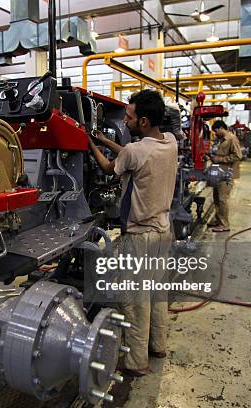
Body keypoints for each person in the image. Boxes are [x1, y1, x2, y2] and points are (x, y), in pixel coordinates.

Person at [89, 90, 178, 377]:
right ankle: (159, 345)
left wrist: (90, 144)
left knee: (136, 301)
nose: (124, 120)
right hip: (164, 231)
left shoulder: (134, 151)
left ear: (142, 121)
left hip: (140, 238)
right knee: (157, 292)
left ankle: (136, 362)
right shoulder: (170, 142)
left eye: (128, 117)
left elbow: (108, 166)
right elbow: (132, 156)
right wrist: (105, 140)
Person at [206, 120, 242, 232]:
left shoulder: (232, 139)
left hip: (227, 174)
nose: (215, 134)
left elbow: (237, 156)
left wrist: (220, 159)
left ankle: (225, 224)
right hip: (219, 173)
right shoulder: (221, 140)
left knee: (222, 199)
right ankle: (218, 220)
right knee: (216, 198)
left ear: (221, 128)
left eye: (216, 131)